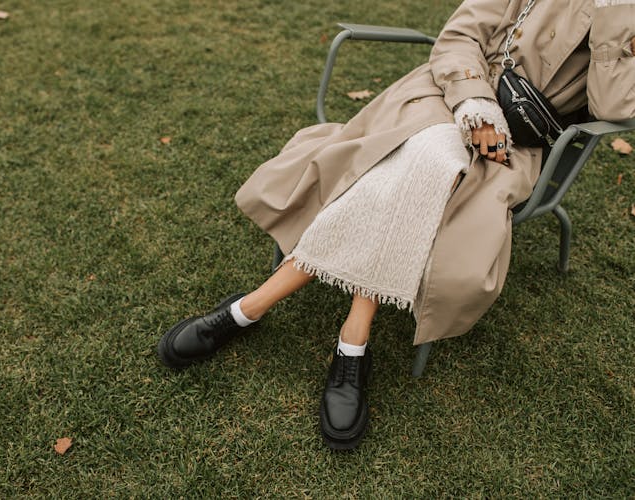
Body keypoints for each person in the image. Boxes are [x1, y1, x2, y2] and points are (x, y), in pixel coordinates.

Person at [158, 0, 635, 450]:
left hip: (517, 147)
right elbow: (460, 35)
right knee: (428, 157)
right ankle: (352, 342)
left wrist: (616, 12)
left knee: (418, 171)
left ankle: (247, 309)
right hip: (444, 100)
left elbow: (613, 106)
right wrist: (476, 105)